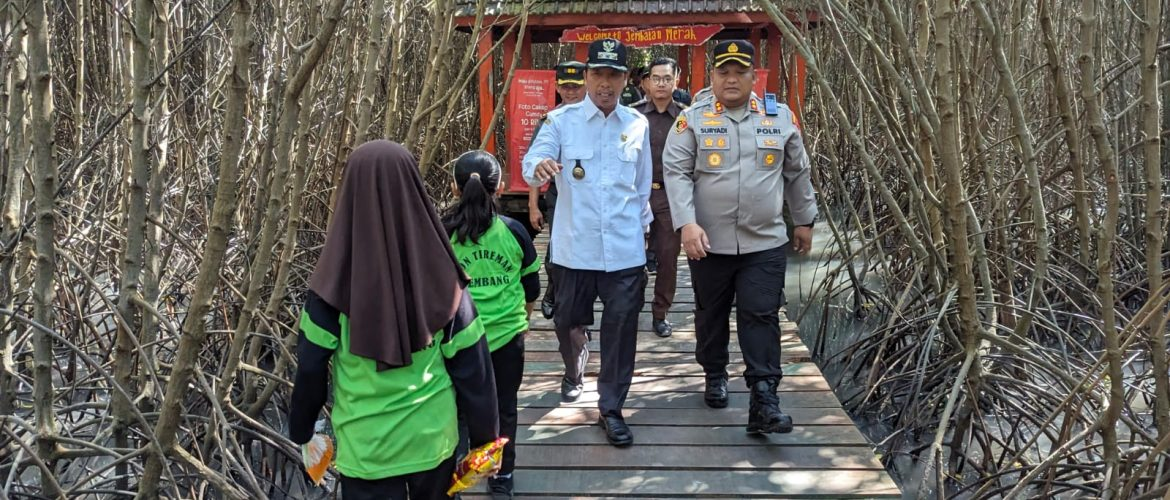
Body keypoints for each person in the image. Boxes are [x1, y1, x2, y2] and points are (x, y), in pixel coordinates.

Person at [288, 140, 499, 499]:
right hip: (432, 444)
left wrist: (303, 432)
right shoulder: (444, 280)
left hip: (366, 450)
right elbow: (474, 368)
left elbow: (310, 369)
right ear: (413, 190)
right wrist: (486, 441)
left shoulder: (330, 290)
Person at [662, 41, 818, 435]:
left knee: (761, 314)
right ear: (712, 76)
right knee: (710, 313)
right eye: (723, 72)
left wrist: (804, 220)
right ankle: (714, 372)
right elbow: (676, 172)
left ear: (753, 76)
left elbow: (797, 172)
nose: (731, 79)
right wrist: (686, 223)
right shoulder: (692, 120)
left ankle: (764, 397)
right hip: (708, 242)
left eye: (740, 72)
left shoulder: (779, 118)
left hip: (764, 241)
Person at [523, 38, 652, 447]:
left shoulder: (637, 124)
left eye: (614, 75)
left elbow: (642, 184)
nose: (605, 83)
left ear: (625, 79)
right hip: (573, 249)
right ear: (587, 75)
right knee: (566, 323)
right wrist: (540, 167)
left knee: (621, 332)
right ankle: (574, 368)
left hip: (624, 251)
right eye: (598, 73)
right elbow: (532, 163)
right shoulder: (560, 121)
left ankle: (611, 408)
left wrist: (642, 232)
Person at [444, 150, 540, 500]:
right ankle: (502, 475)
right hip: (505, 340)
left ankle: (454, 477)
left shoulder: (442, 234)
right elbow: (532, 287)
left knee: (456, 409)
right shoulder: (514, 232)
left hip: (456, 341)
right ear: (499, 187)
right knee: (504, 408)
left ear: (455, 189)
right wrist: (522, 321)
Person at [630, 57, 687, 339]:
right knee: (630, 255)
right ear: (646, 82)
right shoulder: (632, 115)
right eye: (656, 78)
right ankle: (630, 305)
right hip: (635, 195)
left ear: (677, 80)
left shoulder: (686, 117)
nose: (661, 83)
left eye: (667, 78)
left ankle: (660, 313)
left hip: (670, 195)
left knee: (668, 257)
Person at [528, 61, 586, 320]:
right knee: (556, 248)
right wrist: (533, 205)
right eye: (566, 87)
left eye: (576, 87)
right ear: (558, 87)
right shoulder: (549, 121)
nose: (571, 92)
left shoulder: (596, 119)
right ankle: (553, 292)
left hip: (589, 196)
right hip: (558, 195)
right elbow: (535, 164)